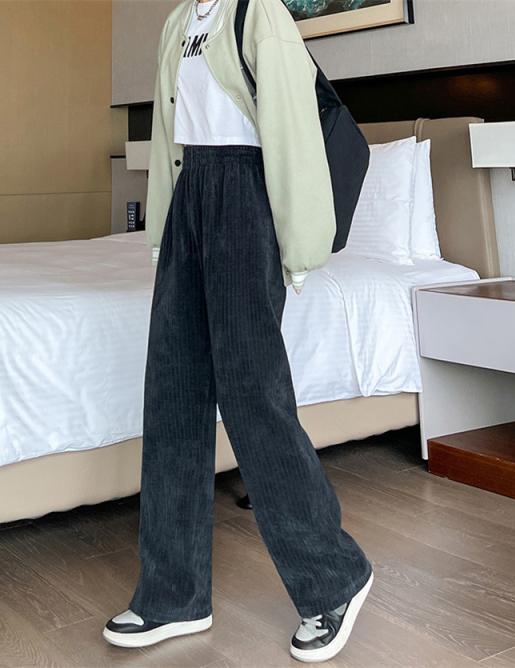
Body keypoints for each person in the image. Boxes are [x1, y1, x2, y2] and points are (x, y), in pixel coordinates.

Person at [103, 0, 373, 662]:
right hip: (192, 196)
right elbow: (167, 136)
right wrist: (165, 231)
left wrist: (300, 249)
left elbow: (293, 134)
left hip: (247, 196)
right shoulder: (178, 24)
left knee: (253, 395)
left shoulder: (259, 14)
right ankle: (173, 594)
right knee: (172, 393)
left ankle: (333, 578)